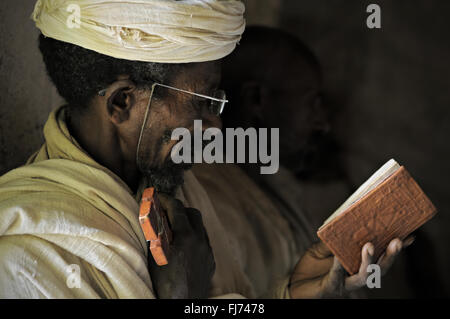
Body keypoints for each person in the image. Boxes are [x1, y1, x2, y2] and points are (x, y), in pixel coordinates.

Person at [0, 0, 409, 299]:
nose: (216, 125)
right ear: (122, 103)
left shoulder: (173, 186)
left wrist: (299, 291)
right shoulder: (29, 254)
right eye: (203, 103)